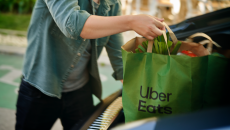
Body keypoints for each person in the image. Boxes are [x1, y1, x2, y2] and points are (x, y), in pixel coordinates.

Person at [15, 0, 165, 130]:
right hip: (40, 87)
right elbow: (72, 23)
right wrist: (131, 22)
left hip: (80, 90)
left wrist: (141, 94)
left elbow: (117, 53)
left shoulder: (112, 3)